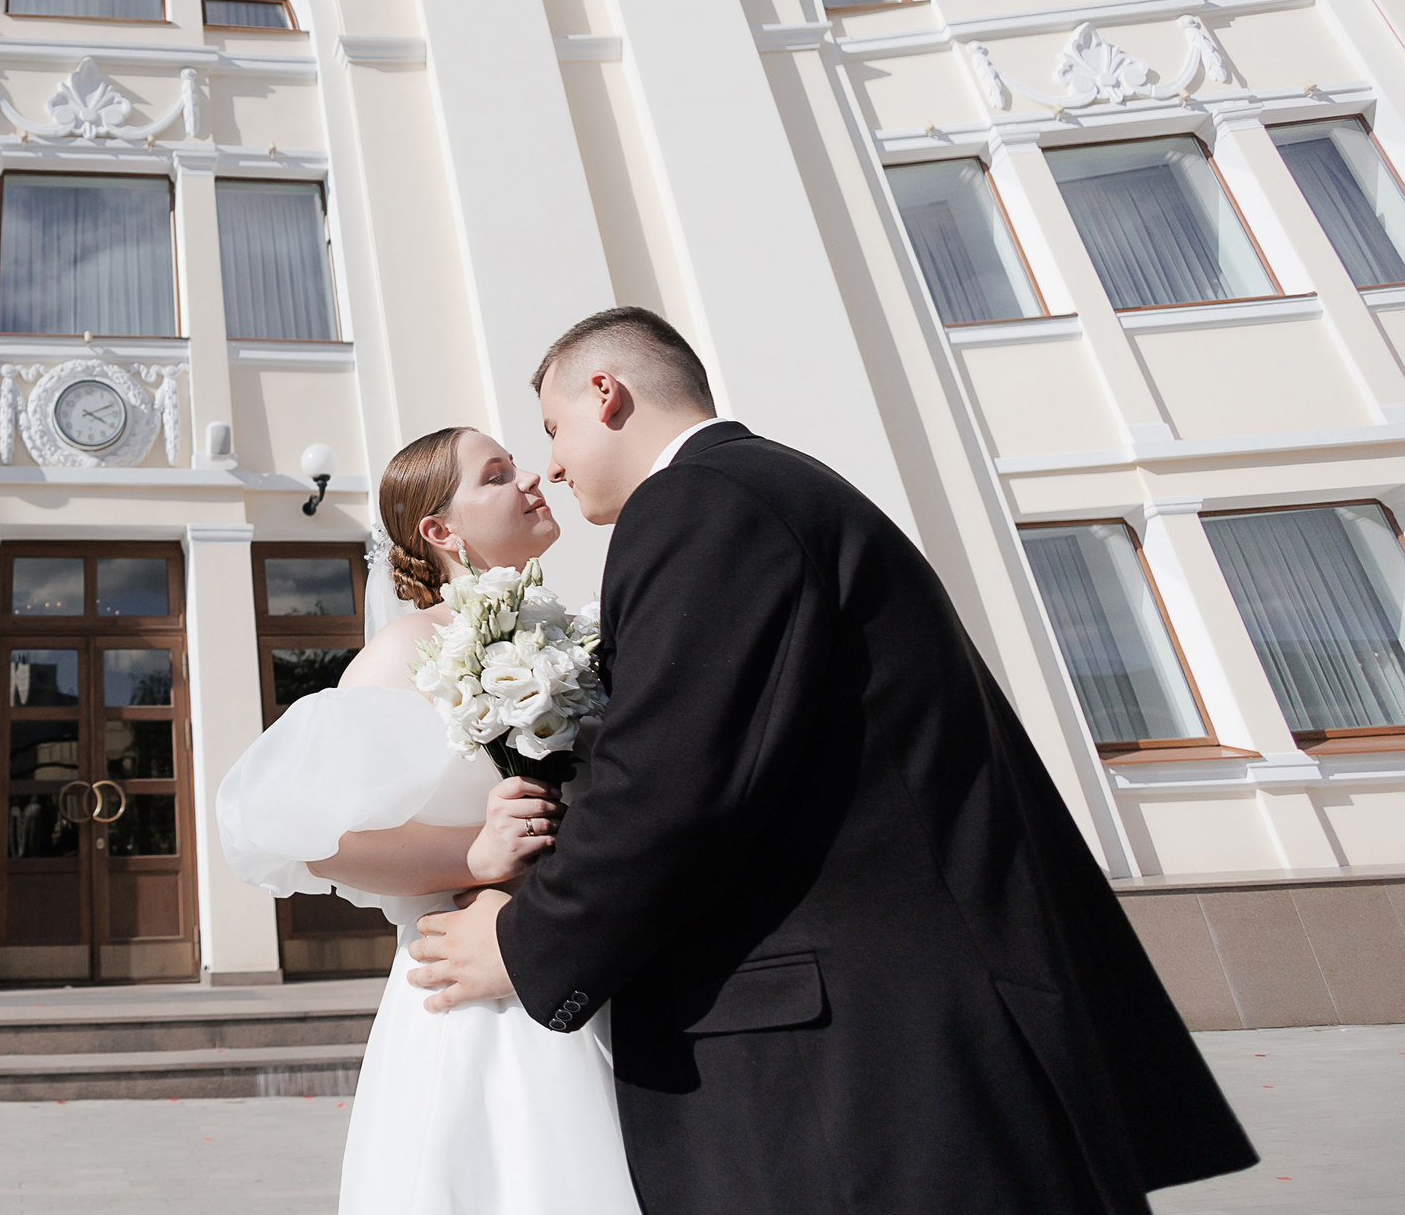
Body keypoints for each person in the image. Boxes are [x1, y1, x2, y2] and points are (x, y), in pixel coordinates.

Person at [407, 306, 1256, 1214]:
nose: (553, 465)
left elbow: (670, 782)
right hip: (915, 1038)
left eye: (554, 428)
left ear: (606, 394)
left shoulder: (698, 501)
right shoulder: (776, 486)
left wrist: (525, 943)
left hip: (862, 1074)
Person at [216, 426, 642, 1215]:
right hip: (474, 999)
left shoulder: (579, 636)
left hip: (593, 970)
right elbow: (316, 840)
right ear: (441, 530)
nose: (530, 479)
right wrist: (474, 853)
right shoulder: (408, 650)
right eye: (497, 474)